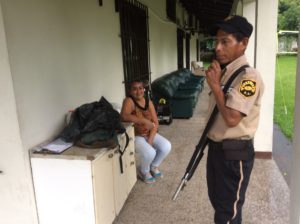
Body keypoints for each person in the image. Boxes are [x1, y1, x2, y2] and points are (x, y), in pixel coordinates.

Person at [205, 15, 264, 223]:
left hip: (234, 153)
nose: (218, 48)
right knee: (219, 204)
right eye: (216, 41)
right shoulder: (226, 73)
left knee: (227, 213)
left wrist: (215, 87)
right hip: (216, 149)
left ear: (244, 43)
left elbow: (231, 119)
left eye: (225, 41)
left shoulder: (249, 77)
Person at [120, 80, 171, 184]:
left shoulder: (149, 102)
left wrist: (150, 140)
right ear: (130, 91)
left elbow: (156, 123)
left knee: (166, 146)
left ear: (144, 89)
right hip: (135, 136)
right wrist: (143, 120)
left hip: (149, 134)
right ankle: (144, 171)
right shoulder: (129, 101)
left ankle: (153, 166)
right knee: (150, 152)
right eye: (134, 89)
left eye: (140, 88)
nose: (138, 91)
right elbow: (123, 116)